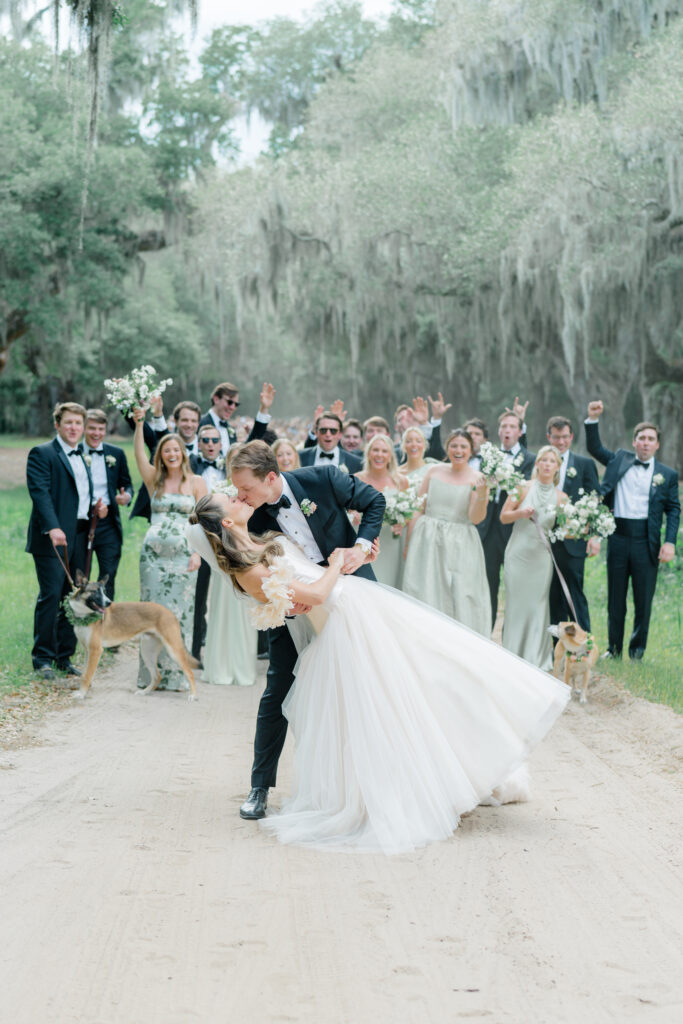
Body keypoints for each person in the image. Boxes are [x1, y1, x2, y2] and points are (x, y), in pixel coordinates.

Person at [187, 492, 570, 854]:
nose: (239, 497)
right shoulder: (247, 569)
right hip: (342, 624)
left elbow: (298, 590)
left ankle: (461, 768)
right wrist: (335, 565)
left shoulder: (260, 540)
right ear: (224, 520)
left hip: (359, 607)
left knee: (431, 672)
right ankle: (403, 794)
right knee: (383, 707)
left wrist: (315, 583)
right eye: (231, 500)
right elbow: (316, 595)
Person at [226, 440, 385, 821]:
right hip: (291, 609)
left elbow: (374, 501)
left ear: (270, 477)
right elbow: (249, 575)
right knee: (278, 688)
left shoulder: (323, 479)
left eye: (246, 488)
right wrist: (277, 600)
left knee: (372, 682)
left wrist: (360, 547)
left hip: (350, 595)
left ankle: (375, 780)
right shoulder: (249, 518)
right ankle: (259, 787)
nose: (239, 496)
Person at [585, 401, 680, 660]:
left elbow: (673, 509)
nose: (646, 443)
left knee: (643, 600)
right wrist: (593, 419)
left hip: (646, 541)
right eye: (642, 438)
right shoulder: (619, 460)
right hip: (617, 537)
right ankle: (613, 650)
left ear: (657, 445)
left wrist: (670, 542)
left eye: (651, 439)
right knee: (616, 599)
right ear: (634, 441)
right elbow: (594, 448)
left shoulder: (668, 475)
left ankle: (637, 651)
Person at [132, 409, 207, 691]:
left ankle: (175, 674)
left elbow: (203, 522)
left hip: (183, 557)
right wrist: (139, 424)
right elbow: (139, 454)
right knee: (150, 614)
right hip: (152, 558)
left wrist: (198, 553)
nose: (171, 454)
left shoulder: (197, 483)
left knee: (179, 613)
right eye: (166, 451)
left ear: (183, 452)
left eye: (175, 449)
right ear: (161, 455)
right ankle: (150, 675)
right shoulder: (154, 479)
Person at [26, 402, 93, 680]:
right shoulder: (42, 453)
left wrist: (94, 510)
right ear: (57, 424)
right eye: (68, 423)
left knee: (73, 595)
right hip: (52, 538)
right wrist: (52, 526)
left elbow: (79, 494)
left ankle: (64, 657)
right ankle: (42, 658)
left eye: (78, 423)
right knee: (51, 596)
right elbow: (40, 492)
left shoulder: (82, 454)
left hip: (79, 534)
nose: (74, 428)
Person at [403, 429, 491, 634]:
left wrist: (481, 495)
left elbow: (476, 518)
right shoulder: (433, 471)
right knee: (425, 586)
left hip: (461, 541)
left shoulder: (478, 478)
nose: (458, 450)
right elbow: (418, 508)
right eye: (454, 445)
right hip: (427, 538)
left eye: (463, 447)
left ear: (471, 450)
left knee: (461, 591)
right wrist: (410, 541)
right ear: (447, 447)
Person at [501, 446, 566, 671]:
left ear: (557, 467)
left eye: (552, 461)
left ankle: (535, 657)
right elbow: (503, 516)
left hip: (541, 558)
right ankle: (510, 652)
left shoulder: (562, 498)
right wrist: (520, 513)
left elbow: (567, 529)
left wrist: (584, 526)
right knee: (516, 605)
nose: (547, 464)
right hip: (518, 554)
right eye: (543, 460)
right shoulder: (521, 488)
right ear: (537, 463)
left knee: (537, 606)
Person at [479, 411, 536, 628]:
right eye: (504, 426)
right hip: (489, 528)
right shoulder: (489, 456)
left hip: (514, 528)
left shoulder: (530, 459)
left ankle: (512, 634)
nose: (507, 430)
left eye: (512, 427)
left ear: (520, 432)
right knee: (488, 583)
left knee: (515, 585)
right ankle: (487, 630)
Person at [545, 416, 600, 632]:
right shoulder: (542, 463)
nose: (560, 442)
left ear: (571, 437)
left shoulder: (585, 464)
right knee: (553, 595)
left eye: (565, 437)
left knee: (575, 594)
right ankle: (557, 646)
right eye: (556, 437)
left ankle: (583, 644)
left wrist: (594, 536)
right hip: (546, 540)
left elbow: (594, 499)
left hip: (574, 541)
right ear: (549, 437)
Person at [83, 408, 134, 602]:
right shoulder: (75, 453)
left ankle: (105, 622)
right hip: (81, 524)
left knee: (108, 576)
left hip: (109, 525)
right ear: (84, 429)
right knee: (81, 576)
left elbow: (127, 484)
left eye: (101, 429)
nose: (97, 433)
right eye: (92, 428)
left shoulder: (116, 454)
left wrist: (126, 497)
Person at [189, 424, 228, 662]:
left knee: (229, 596)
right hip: (200, 537)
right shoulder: (190, 466)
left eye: (215, 440)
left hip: (227, 539)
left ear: (221, 444)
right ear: (199, 443)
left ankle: (224, 652)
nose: (211, 444)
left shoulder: (230, 467)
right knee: (199, 594)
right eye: (206, 440)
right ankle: (195, 650)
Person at [354, 433, 410, 588]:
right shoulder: (357, 479)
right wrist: (354, 515)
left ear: (391, 455)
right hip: (363, 541)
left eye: (384, 451)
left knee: (388, 584)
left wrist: (402, 522)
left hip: (391, 542)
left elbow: (409, 511)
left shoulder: (401, 481)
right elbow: (347, 510)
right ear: (368, 452)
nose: (379, 455)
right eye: (375, 450)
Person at [200, 381, 275, 456]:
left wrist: (264, 409)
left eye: (236, 404)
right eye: (229, 402)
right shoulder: (199, 423)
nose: (233, 407)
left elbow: (244, 452)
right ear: (216, 399)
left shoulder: (230, 430)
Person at [298, 411, 362, 472]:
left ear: (340, 434)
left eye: (333, 431)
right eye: (323, 430)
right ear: (316, 432)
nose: (328, 434)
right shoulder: (299, 456)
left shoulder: (356, 462)